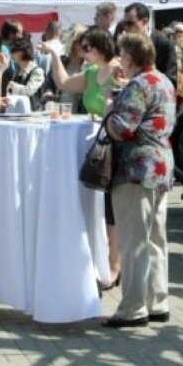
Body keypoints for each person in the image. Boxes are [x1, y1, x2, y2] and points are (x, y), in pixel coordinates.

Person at [103, 32, 176, 328]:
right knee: (156, 238)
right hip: (161, 165)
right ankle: (158, 302)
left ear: (130, 57)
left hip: (136, 168)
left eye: (122, 54)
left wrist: (109, 113)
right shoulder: (163, 80)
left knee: (134, 241)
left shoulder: (138, 84)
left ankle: (133, 308)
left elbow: (122, 128)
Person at [43, 26, 124, 289]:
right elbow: (64, 83)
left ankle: (115, 264)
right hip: (98, 145)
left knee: (113, 207)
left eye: (86, 47)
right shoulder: (90, 73)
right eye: (81, 47)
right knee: (101, 204)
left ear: (100, 47)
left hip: (117, 144)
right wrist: (55, 57)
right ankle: (104, 261)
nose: (82, 52)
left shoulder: (119, 70)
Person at [124, 2, 177, 87]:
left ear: (145, 21)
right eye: (124, 23)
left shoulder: (163, 43)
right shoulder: (127, 43)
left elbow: (171, 79)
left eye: (130, 23)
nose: (126, 27)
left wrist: (143, 84)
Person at [6, 34, 45, 111]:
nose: (11, 54)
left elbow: (28, 91)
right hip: (18, 113)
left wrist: (13, 86)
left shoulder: (37, 71)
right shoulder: (17, 70)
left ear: (23, 52)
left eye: (14, 51)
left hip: (33, 115)